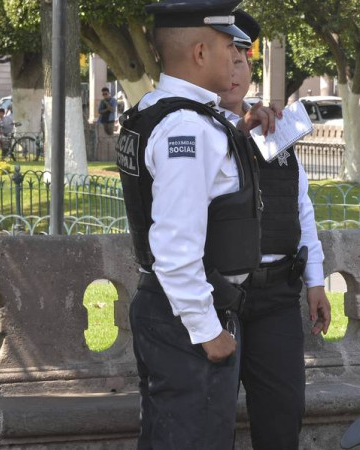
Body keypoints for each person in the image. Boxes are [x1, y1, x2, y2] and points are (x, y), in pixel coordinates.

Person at [115, 1, 266, 448]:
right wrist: (208, 331)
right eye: (228, 46)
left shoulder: (156, 109)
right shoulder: (187, 126)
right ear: (200, 53)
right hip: (187, 317)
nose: (236, 57)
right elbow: (176, 246)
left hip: (167, 309)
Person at [216, 10, 331, 449]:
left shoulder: (277, 128)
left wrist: (315, 281)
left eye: (242, 61)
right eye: (227, 59)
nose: (234, 72)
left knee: (283, 417)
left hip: (276, 295)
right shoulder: (187, 128)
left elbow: (300, 207)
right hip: (216, 296)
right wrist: (238, 137)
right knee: (210, 421)